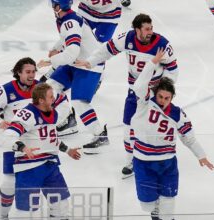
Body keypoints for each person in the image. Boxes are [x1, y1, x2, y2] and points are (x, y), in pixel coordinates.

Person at [75, 13, 179, 177]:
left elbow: (173, 69)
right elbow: (106, 50)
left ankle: (158, 158)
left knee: (153, 127)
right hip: (134, 91)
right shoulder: (127, 38)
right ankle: (131, 160)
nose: (150, 31)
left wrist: (164, 90)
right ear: (137, 30)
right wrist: (90, 61)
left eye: (151, 28)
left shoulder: (162, 44)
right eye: (146, 29)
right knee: (128, 127)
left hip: (154, 93)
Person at [0, 57, 80, 219]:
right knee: (9, 184)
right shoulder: (6, 90)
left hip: (40, 143)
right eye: (28, 72)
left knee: (58, 201)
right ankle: (3, 215)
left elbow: (63, 101)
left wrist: (54, 119)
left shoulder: (42, 88)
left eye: (34, 71)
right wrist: (0, 123)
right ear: (18, 73)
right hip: (16, 142)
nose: (32, 75)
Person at [129, 48, 214, 220]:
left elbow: (188, 137)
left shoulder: (178, 114)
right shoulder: (144, 103)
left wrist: (201, 155)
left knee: (168, 205)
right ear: (156, 94)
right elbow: (139, 85)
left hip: (167, 162)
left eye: (167, 98)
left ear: (172, 97)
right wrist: (152, 63)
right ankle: (155, 211)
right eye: (160, 97)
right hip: (143, 161)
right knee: (147, 205)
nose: (163, 101)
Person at [38, 0, 109, 154]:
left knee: (80, 102)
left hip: (88, 65)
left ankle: (99, 135)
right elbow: (67, 38)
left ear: (58, 6)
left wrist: (50, 61)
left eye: (53, 4)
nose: (51, 6)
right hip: (75, 63)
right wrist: (56, 48)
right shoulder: (66, 18)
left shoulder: (69, 21)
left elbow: (72, 53)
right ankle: (67, 120)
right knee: (50, 87)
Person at [3, 83, 80, 219]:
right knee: (26, 213)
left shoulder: (52, 114)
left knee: (61, 206)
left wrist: (68, 150)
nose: (54, 100)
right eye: (51, 97)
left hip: (50, 166)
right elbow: (8, 135)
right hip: (29, 168)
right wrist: (23, 147)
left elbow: (50, 139)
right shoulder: (27, 114)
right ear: (41, 100)